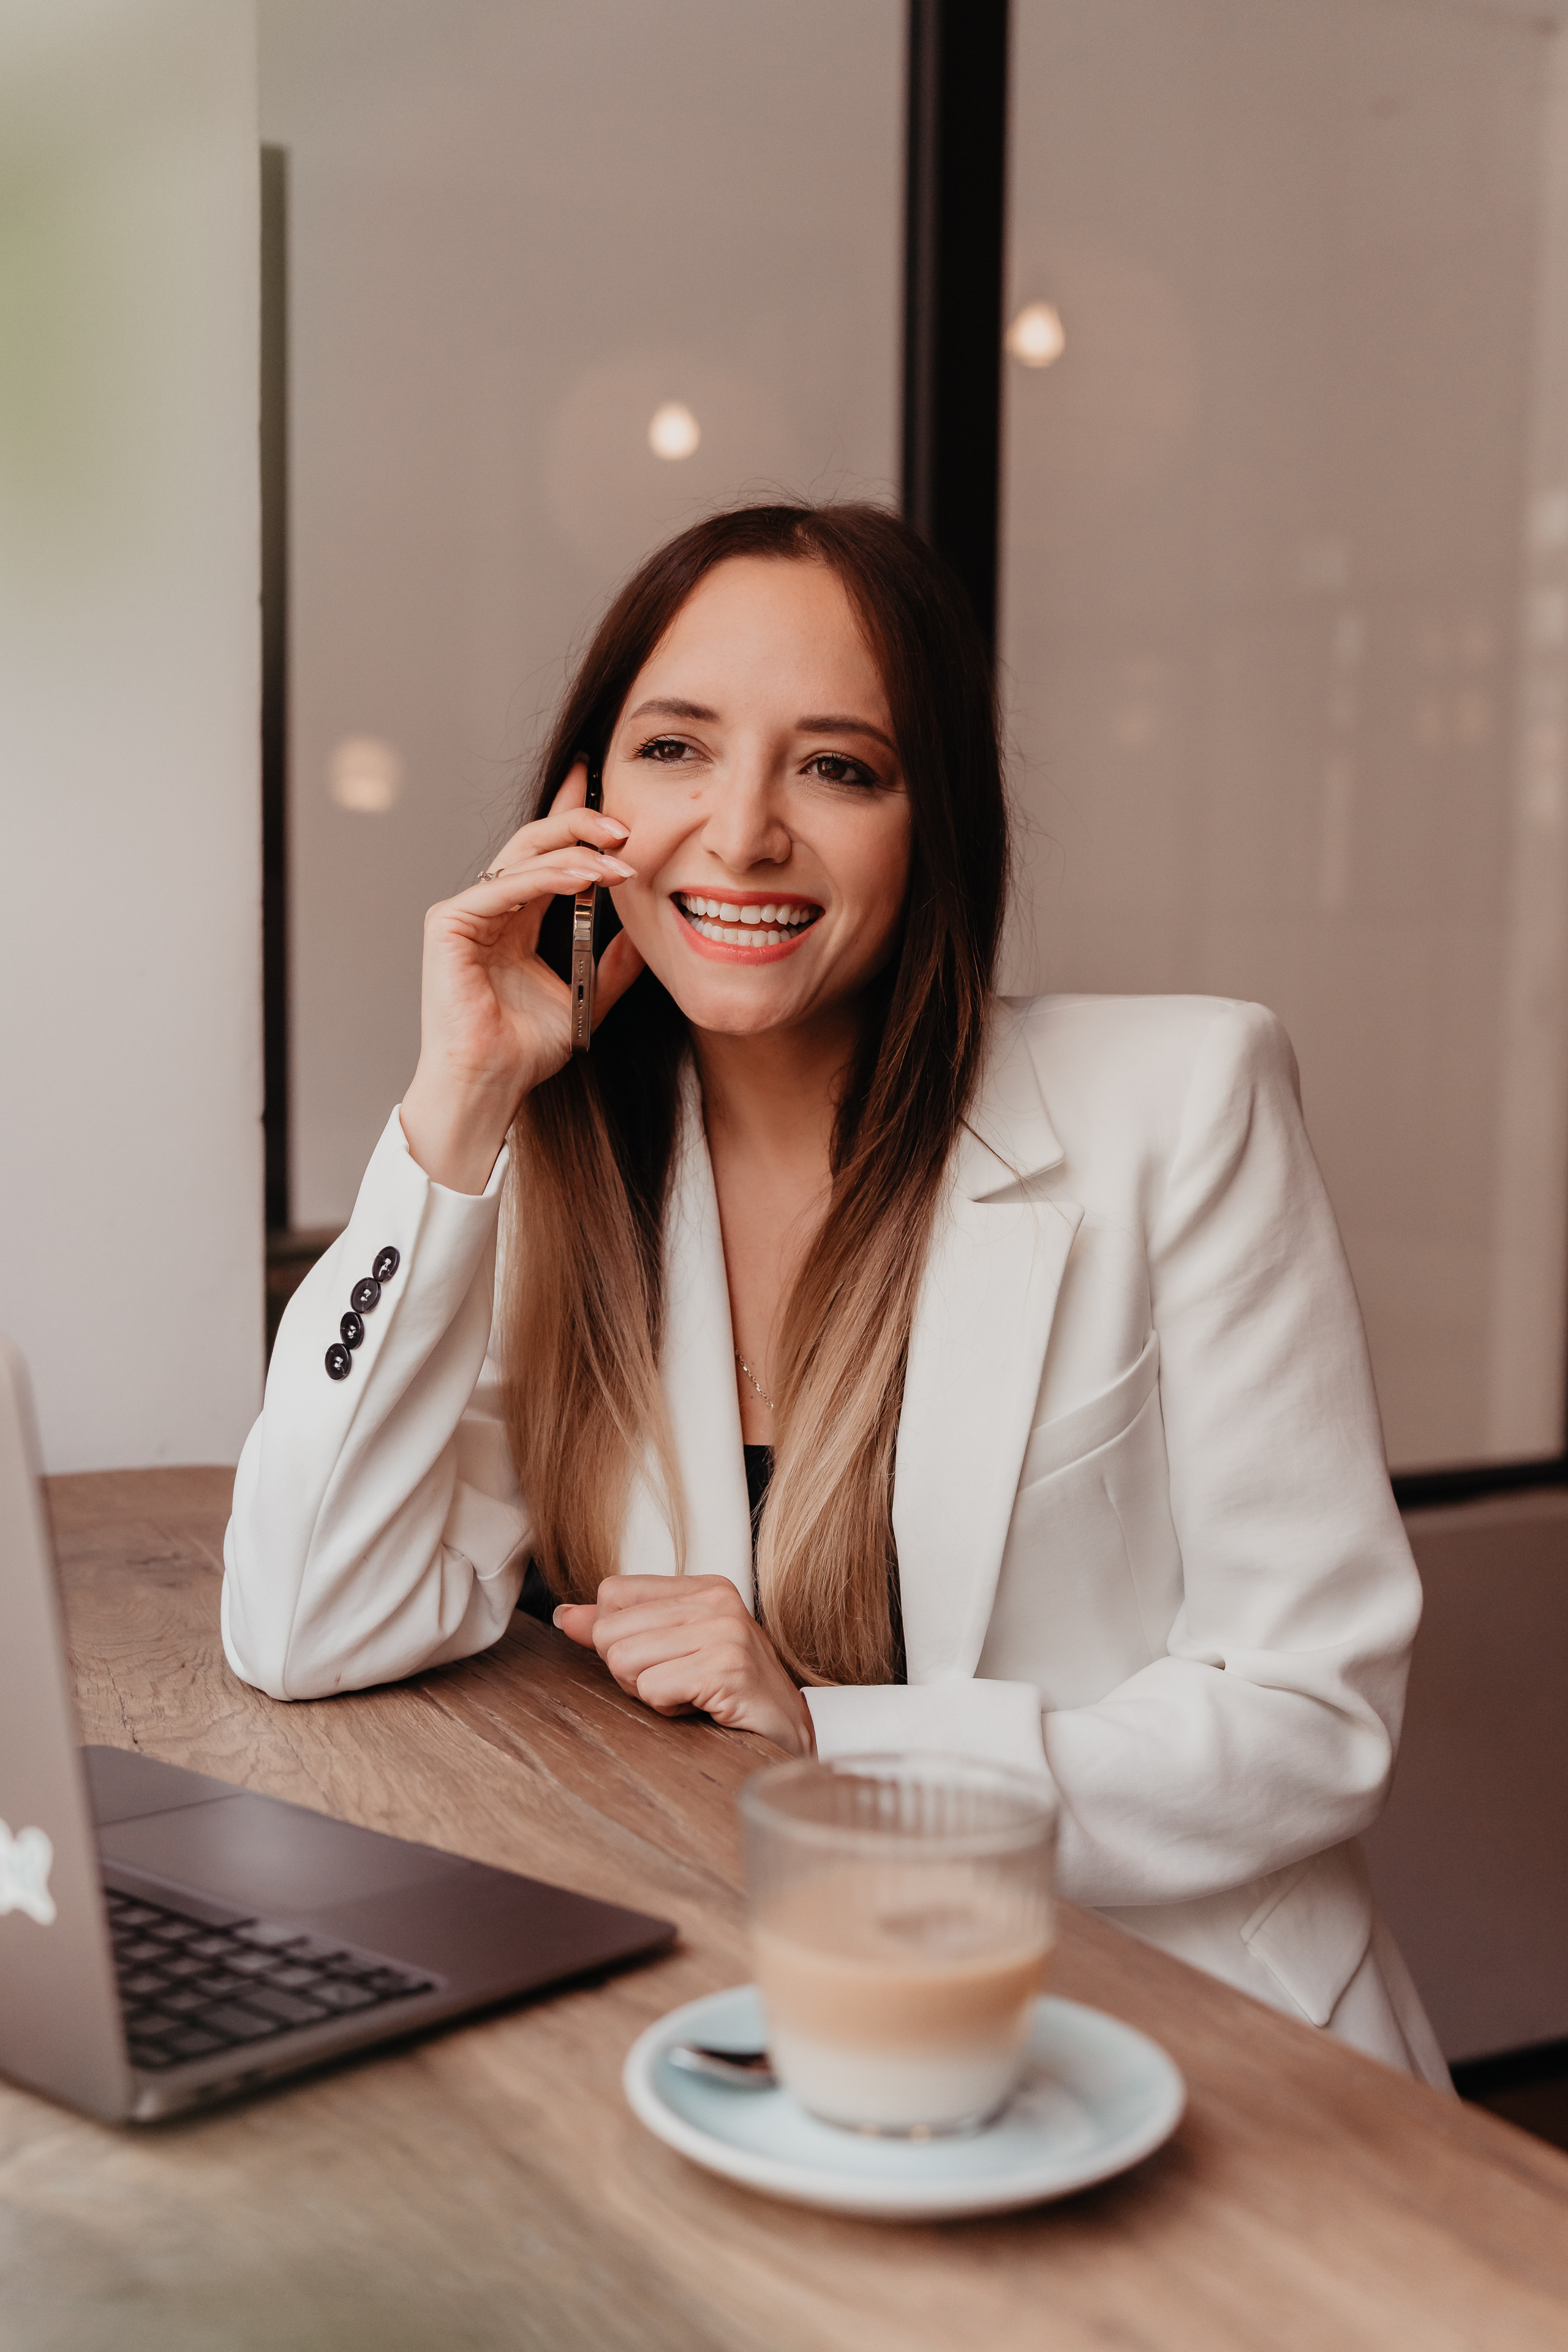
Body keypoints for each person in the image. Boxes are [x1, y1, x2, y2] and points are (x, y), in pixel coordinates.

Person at [224, 502, 1447, 2085]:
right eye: (676, 750)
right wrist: (456, 1100)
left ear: (931, 821)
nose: (741, 835)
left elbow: (1311, 1719)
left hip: (1174, 2043)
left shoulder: (1183, 1098)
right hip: (751, 2045)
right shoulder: (556, 1165)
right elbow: (311, 1620)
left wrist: (833, 1741)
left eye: (839, 766)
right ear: (586, 804)